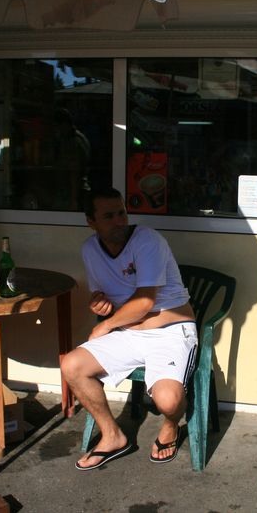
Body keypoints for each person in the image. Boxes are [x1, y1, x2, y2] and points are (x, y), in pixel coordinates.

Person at [61, 187, 197, 471]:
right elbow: (104, 297)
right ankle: (113, 435)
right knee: (71, 365)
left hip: (171, 331)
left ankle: (171, 425)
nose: (119, 221)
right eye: (109, 216)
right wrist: (99, 304)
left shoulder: (147, 240)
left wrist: (106, 324)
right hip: (129, 334)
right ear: (91, 221)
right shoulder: (90, 249)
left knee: (168, 401)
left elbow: (145, 301)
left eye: (121, 213)